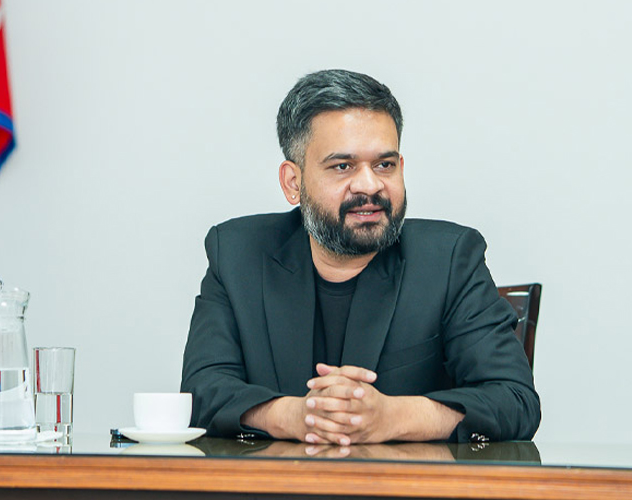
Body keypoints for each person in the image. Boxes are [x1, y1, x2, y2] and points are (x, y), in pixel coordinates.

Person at [181, 69, 540, 445]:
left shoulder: (450, 259)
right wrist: (294, 416)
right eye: (343, 166)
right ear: (293, 183)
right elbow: (201, 392)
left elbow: (514, 401)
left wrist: (393, 417)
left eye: (384, 165)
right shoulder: (236, 253)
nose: (369, 185)